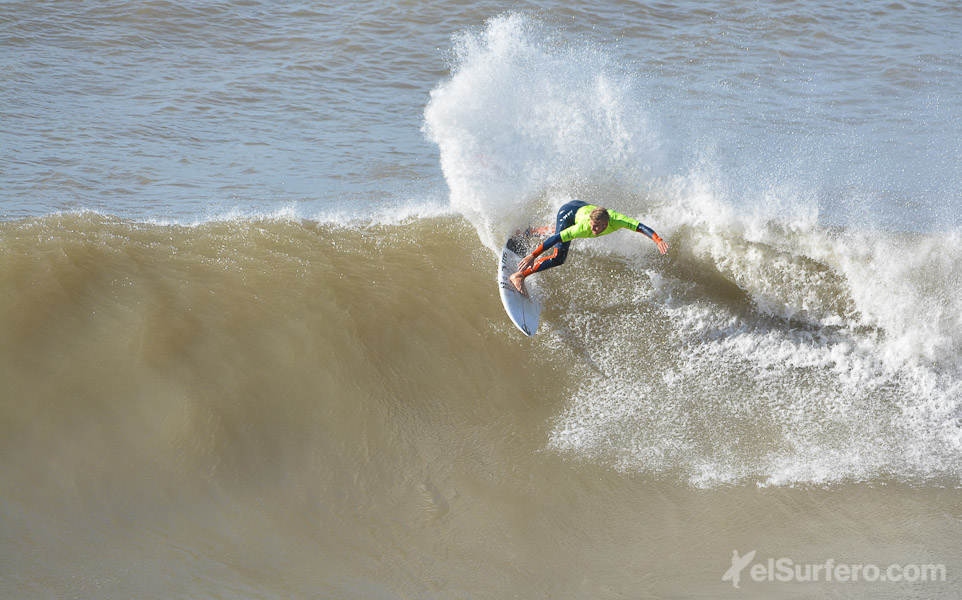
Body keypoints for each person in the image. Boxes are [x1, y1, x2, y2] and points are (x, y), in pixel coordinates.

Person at [509, 200, 669, 295]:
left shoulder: (617, 220)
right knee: (559, 256)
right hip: (568, 212)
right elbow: (556, 238)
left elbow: (639, 226)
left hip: (579, 207)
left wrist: (658, 239)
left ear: (605, 224)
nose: (593, 231)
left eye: (596, 228)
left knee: (561, 231)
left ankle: (528, 232)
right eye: (591, 226)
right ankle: (519, 276)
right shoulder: (584, 227)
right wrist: (533, 255)